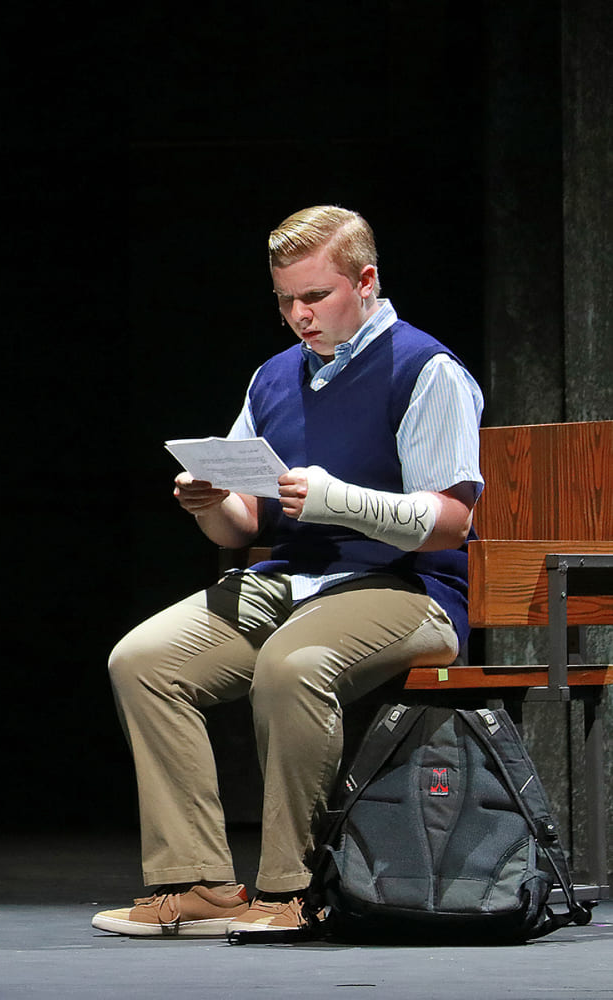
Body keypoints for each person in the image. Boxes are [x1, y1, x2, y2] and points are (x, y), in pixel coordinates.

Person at [93, 206, 483, 937]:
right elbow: (247, 519)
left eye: (314, 297)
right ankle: (199, 881)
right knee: (142, 660)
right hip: (294, 579)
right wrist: (208, 503)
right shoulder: (275, 378)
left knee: (290, 665)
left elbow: (452, 520)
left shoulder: (425, 369)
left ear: (365, 282)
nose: (298, 315)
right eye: (284, 300)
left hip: (407, 588)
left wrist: (339, 500)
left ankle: (292, 889)